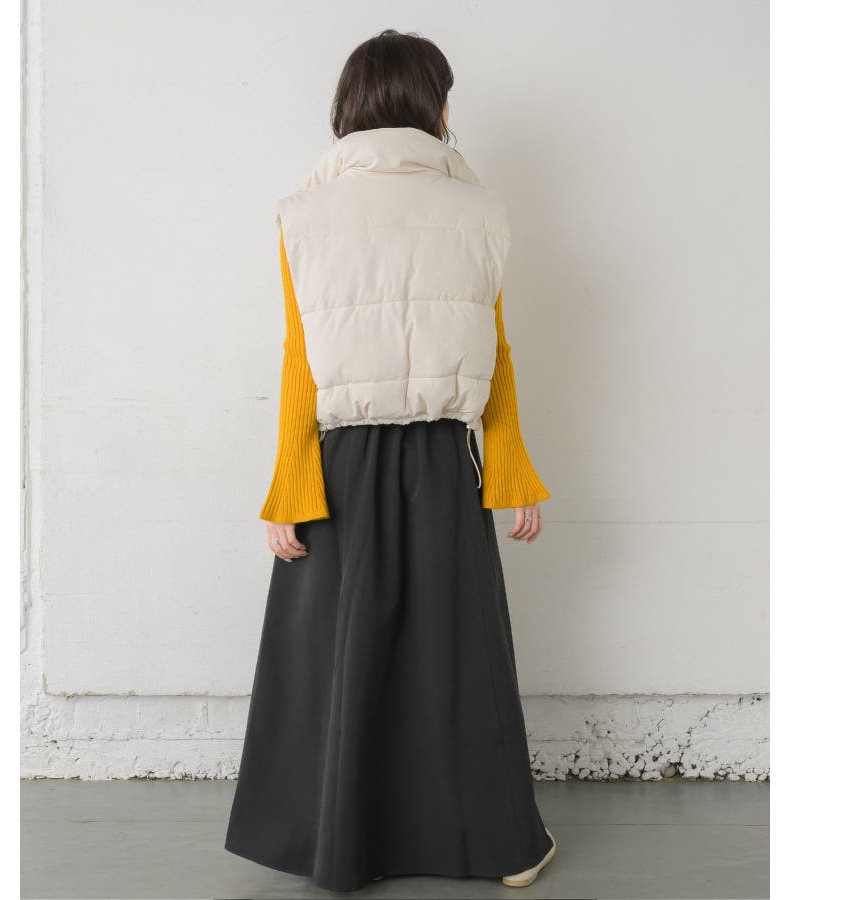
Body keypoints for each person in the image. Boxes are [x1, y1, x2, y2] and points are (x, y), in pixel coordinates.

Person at [225, 28, 556, 893]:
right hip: (445, 460)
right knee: (462, 662)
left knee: (335, 662)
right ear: (435, 105)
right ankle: (506, 849)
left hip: (338, 464)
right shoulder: (481, 210)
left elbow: (300, 361)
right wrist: (509, 469)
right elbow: (497, 353)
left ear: (349, 105)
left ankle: (342, 846)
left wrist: (289, 487)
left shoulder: (302, 214)